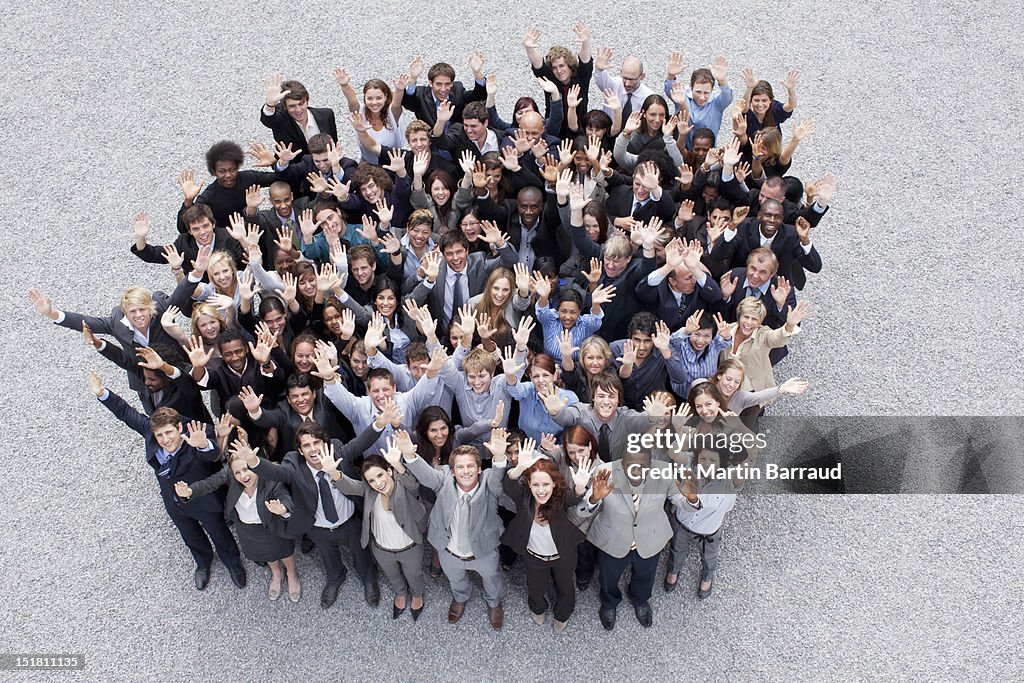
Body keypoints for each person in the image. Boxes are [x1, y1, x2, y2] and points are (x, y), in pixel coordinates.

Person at [86, 371, 245, 591]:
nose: (165, 440)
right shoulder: (151, 434)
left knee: (219, 533)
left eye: (169, 433)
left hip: (203, 500)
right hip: (174, 501)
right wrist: (102, 393)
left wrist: (202, 445)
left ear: (179, 428)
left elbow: (212, 457)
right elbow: (125, 412)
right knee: (190, 535)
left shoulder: (196, 436)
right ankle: (203, 562)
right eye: (160, 436)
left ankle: (233, 563)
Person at [240, 410, 396, 609]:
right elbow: (275, 472)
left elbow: (360, 443)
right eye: (306, 445)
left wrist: (379, 423)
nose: (313, 449)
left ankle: (368, 579)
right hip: (318, 526)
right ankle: (335, 578)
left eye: (316, 443)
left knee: (360, 552)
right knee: (328, 555)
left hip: (349, 521)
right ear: (300, 450)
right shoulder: (293, 464)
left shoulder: (337, 451)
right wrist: (254, 462)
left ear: (325, 443)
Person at [402, 430, 511, 629]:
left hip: (483, 551)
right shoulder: (443, 479)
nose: (465, 471)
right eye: (459, 467)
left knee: (492, 578)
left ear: (479, 469)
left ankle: (494, 603)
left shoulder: (489, 483)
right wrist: (410, 455)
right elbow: (427, 475)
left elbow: (497, 477)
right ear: (452, 471)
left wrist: (499, 456)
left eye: (470, 466)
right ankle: (460, 598)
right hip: (449, 550)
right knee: (456, 579)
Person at [321, 433, 428, 620]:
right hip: (382, 549)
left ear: (389, 470)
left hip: (410, 548)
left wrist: (398, 464)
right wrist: (333, 473)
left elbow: (415, 485)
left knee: (414, 576)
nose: (378, 483)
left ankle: (417, 594)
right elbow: (349, 487)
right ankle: (401, 593)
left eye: (380, 475)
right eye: (371, 480)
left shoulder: (403, 485)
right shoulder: (370, 492)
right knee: (392, 575)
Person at [175, 444, 301, 602]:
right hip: (247, 529)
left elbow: (284, 498)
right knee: (266, 554)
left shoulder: (271, 478)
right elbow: (209, 484)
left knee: (285, 552)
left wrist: (282, 509)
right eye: (237, 472)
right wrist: (189, 492)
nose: (243, 476)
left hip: (272, 525)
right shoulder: (229, 474)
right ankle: (276, 573)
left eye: (246, 469)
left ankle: (291, 573)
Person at [579, 450, 688, 629]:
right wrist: (594, 499)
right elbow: (583, 509)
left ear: (651, 464)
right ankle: (609, 603)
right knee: (608, 578)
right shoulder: (604, 471)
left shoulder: (665, 472)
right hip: (613, 538)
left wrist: (691, 499)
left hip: (650, 537)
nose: (636, 470)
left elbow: (681, 501)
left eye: (643, 465)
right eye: (630, 465)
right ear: (622, 463)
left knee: (646, 576)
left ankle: (640, 599)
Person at [501, 442, 593, 632]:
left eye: (545, 484)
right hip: (534, 557)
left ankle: (563, 614)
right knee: (535, 587)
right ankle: (538, 608)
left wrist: (580, 487)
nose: (541, 490)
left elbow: (574, 498)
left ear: (554, 484)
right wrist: (519, 467)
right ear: (529, 484)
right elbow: (509, 486)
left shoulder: (560, 498)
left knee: (566, 587)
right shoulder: (524, 498)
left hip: (563, 556)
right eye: (536, 484)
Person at [664, 447, 739, 598]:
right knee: (676, 549)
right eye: (703, 459)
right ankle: (673, 571)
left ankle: (707, 577)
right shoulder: (690, 469)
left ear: (721, 462)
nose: (706, 464)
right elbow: (674, 454)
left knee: (709, 556)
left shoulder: (729, 480)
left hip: (707, 531)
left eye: (713, 460)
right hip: (682, 523)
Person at [175, 141, 278, 233]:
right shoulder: (209, 196)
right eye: (222, 171)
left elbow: (284, 178)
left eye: (232, 170)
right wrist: (188, 201)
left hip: (254, 230)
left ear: (237, 167)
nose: (228, 175)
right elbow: (183, 229)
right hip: (227, 240)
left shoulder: (249, 178)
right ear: (214, 172)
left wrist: (274, 164)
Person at [719, 297, 810, 392]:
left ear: (760, 322)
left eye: (754, 319)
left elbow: (777, 338)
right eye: (746, 317)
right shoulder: (727, 330)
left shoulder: (763, 334)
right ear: (739, 317)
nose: (749, 322)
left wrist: (789, 325)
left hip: (751, 392)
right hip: (724, 389)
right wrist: (725, 338)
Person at [522, 23, 594, 137]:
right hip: (553, 131)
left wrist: (585, 42)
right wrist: (529, 48)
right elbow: (538, 65)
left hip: (578, 131)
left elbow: (586, 62)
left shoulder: (580, 78)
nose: (559, 71)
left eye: (562, 66)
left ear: (569, 64)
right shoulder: (551, 80)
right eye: (554, 68)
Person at [334, 68, 409, 164]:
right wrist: (344, 85)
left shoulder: (392, 113)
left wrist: (399, 90)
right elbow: (352, 100)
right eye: (369, 98)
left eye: (378, 98)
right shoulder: (360, 112)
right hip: (367, 163)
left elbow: (396, 104)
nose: (374, 103)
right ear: (364, 98)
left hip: (393, 163)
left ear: (385, 97)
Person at [260, 74, 339, 157]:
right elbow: (268, 120)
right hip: (294, 168)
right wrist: (270, 104)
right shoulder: (281, 119)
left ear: (307, 101)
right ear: (285, 107)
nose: (298, 109)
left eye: (301, 104)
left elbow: (334, 147)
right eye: (292, 106)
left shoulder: (326, 115)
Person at [401, 53, 487, 128]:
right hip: (432, 143)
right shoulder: (421, 94)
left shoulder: (457, 89)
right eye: (438, 84)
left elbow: (479, 96)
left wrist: (477, 72)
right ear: (430, 83)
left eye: (447, 84)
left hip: (457, 142)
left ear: (452, 83)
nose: (443, 89)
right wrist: (413, 78)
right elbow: (409, 104)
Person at [664, 55, 734, 147]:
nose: (701, 97)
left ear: (712, 90)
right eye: (698, 92)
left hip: (709, 153)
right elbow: (670, 89)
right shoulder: (683, 96)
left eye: (706, 93)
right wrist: (670, 75)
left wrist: (722, 81)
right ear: (691, 87)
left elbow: (727, 96)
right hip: (683, 150)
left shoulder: (716, 102)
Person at [593, 47, 655, 121]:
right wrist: (598, 69)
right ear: (621, 72)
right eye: (625, 78)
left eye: (632, 79)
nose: (627, 84)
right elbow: (600, 79)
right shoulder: (613, 85)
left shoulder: (649, 97)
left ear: (642, 76)